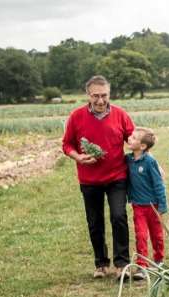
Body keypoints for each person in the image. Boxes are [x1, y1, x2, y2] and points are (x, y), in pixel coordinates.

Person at [61, 75, 134, 279]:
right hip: (89, 179)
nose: (100, 101)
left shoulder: (120, 115)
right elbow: (67, 144)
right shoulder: (76, 117)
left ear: (109, 94)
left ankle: (122, 264)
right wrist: (78, 157)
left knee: (119, 216)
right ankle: (101, 264)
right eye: (96, 96)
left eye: (104, 96)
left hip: (116, 176)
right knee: (95, 221)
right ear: (88, 95)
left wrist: (146, 158)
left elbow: (133, 138)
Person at [126, 128, 167, 273]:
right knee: (141, 235)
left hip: (153, 206)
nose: (129, 139)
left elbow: (158, 183)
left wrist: (162, 205)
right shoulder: (128, 160)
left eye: (133, 137)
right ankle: (142, 264)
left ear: (142, 146)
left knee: (157, 235)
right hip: (138, 206)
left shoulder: (149, 162)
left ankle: (159, 259)